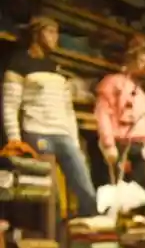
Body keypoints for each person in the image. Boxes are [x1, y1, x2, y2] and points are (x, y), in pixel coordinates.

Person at [2, 16, 97, 216]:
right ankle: (50, 227)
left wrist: (74, 140)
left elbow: (67, 108)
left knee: (84, 183)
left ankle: (91, 222)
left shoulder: (55, 68)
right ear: (37, 34)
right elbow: (10, 105)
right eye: (51, 31)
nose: (56, 37)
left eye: (57, 32)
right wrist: (14, 139)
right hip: (37, 131)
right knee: (46, 191)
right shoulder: (19, 64)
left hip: (62, 133)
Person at [94, 35, 145, 190]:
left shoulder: (141, 91)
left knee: (140, 191)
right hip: (120, 142)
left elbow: (143, 121)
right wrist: (108, 144)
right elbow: (103, 114)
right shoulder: (112, 82)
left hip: (139, 144)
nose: (143, 67)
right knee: (116, 189)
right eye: (141, 61)